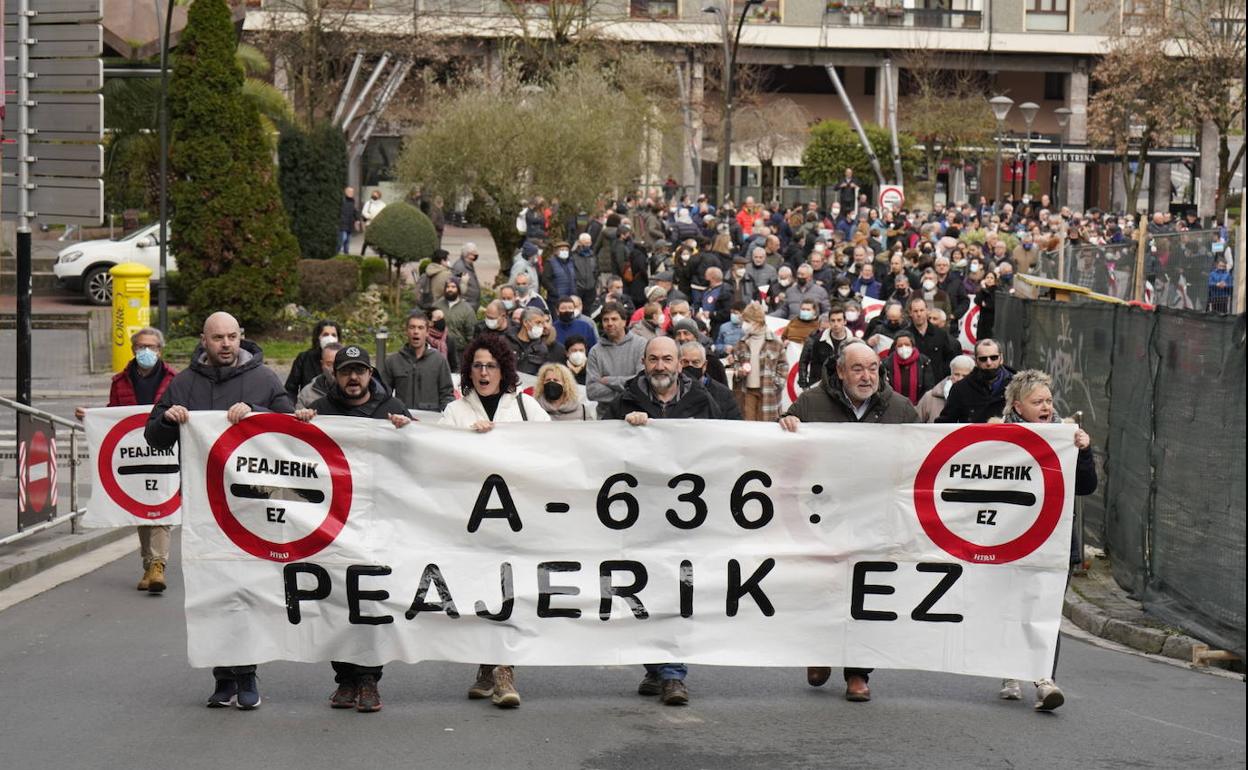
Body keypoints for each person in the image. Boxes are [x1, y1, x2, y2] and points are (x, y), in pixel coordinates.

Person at [144, 312, 293, 711]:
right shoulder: (185, 384)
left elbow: (290, 427)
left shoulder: (263, 379)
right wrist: (167, 419)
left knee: (246, 592)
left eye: (232, 337)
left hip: (253, 505)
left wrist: (257, 412)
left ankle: (246, 674)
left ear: (241, 337)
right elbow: (153, 436)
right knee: (212, 592)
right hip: (205, 510)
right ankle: (222, 677)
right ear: (203, 341)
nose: (226, 344)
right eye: (218, 338)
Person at [778, 340, 918, 702]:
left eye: (872, 368)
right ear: (840, 371)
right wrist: (787, 423)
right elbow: (782, 452)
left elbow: (920, 458)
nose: (866, 376)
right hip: (823, 517)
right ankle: (821, 652)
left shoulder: (900, 409)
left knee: (865, 594)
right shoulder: (810, 403)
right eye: (857, 368)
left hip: (876, 520)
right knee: (823, 588)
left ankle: (857, 671)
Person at [604, 336, 723, 706]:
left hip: (686, 519)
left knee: (677, 590)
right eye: (653, 359)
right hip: (636, 516)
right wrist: (624, 428)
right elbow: (597, 449)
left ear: (679, 364)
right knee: (642, 592)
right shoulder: (622, 402)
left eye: (667, 359)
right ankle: (655, 667)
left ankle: (673, 674)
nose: (660, 366)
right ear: (644, 361)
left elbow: (730, 445)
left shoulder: (704, 402)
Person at [294, 345, 411, 713]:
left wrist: (408, 433)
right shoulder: (323, 412)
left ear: (370, 374)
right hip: (334, 523)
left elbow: (420, 459)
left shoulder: (391, 410)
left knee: (371, 600)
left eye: (360, 371)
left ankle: (368, 679)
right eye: (346, 371)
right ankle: (344, 678)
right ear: (335, 375)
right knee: (336, 601)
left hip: (379, 521)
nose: (353, 378)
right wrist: (300, 426)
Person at [440, 335, 549, 709]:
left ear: (504, 370)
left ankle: (505, 669)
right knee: (479, 592)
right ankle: (486, 664)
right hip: (472, 520)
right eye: (477, 366)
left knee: (510, 590)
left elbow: (557, 449)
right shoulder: (455, 413)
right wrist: (465, 441)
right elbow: (436, 455)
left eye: (491, 366)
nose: (484, 372)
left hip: (515, 518)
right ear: (468, 371)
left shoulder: (526, 407)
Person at [996, 369, 1097, 712]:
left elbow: (1085, 487)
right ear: (1017, 405)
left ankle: (1043, 679)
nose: (1045, 406)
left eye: (1049, 400)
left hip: (1054, 540)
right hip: (1009, 538)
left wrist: (1083, 451)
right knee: (1011, 607)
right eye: (1036, 401)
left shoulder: (1065, 436)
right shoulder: (999, 435)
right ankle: (1010, 672)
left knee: (1046, 611)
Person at [75, 327, 177, 593]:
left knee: (160, 508)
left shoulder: (174, 379)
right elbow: (114, 416)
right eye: (142, 346)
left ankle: (158, 565)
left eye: (152, 347)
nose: (147, 352)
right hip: (135, 454)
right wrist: (91, 417)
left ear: (160, 350)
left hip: (164, 450)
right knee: (142, 509)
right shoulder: (120, 381)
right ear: (133, 349)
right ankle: (148, 564)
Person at [382, 310, 454, 413]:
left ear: (427, 332)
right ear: (406, 331)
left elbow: (447, 395)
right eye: (412, 327)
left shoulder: (439, 361)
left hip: (430, 422)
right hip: (402, 421)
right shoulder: (393, 361)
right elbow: (383, 395)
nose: (416, 331)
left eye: (420, 328)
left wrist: (448, 418)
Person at [586, 302, 648, 418]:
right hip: (606, 417)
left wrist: (610, 381)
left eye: (614, 319)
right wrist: (628, 390)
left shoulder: (641, 344)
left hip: (636, 413)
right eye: (606, 320)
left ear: (624, 321)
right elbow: (591, 391)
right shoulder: (595, 351)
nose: (610, 323)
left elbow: (642, 384)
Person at [731, 303, 788, 422]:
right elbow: (735, 362)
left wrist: (776, 384)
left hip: (768, 392)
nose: (744, 324)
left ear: (757, 322)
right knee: (749, 426)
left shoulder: (775, 342)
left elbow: (783, 365)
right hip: (747, 391)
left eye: (747, 321)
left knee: (767, 426)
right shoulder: (741, 343)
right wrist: (738, 372)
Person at [936, 338, 1013, 423]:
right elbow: (945, 424)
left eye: (993, 357)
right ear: (976, 361)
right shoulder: (960, 389)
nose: (989, 363)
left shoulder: (1017, 386)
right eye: (983, 359)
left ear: (1001, 358)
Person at [678, 341, 740, 419]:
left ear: (704, 366)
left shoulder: (722, 393)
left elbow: (734, 423)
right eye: (685, 362)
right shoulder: (671, 391)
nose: (690, 366)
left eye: (695, 362)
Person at [906, 296, 962, 382]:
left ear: (927, 311)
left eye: (921, 310)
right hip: (913, 382)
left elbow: (950, 358)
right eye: (915, 311)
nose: (919, 314)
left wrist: (942, 376)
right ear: (910, 313)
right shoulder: (905, 336)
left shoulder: (940, 334)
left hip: (936, 383)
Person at [798, 304, 852, 389]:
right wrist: (807, 385)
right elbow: (812, 365)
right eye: (833, 321)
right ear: (829, 322)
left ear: (845, 321)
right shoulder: (818, 340)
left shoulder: (853, 342)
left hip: (845, 386)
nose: (836, 324)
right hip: (821, 386)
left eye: (839, 320)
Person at [284, 320, 340, 398]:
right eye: (325, 334)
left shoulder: (343, 358)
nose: (330, 338)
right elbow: (290, 389)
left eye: (333, 335)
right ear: (318, 337)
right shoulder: (304, 358)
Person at [881, 329, 935, 404]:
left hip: (918, 406)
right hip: (893, 406)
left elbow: (928, 386)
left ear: (912, 346)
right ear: (895, 347)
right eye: (900, 345)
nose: (903, 348)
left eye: (907, 344)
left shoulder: (924, 362)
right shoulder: (887, 363)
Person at [507, 307, 567, 375]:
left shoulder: (542, 349)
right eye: (538, 323)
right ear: (525, 322)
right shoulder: (505, 341)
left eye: (542, 323)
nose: (542, 326)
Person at [916, 354, 973, 422]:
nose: (960, 379)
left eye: (964, 376)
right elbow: (914, 424)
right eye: (956, 374)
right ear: (951, 374)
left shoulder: (977, 397)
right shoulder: (929, 397)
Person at [434, 276, 478, 352]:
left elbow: (472, 334)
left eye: (453, 287)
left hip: (459, 350)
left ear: (458, 289)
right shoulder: (437, 306)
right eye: (447, 287)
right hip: (438, 349)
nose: (450, 289)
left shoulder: (467, 309)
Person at [296, 342, 343, 408]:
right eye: (329, 364)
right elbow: (297, 416)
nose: (333, 369)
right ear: (322, 364)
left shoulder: (354, 391)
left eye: (338, 363)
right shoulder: (307, 393)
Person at [451, 243, 482, 308]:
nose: (474, 257)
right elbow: (456, 285)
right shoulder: (459, 267)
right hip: (467, 304)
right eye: (472, 254)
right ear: (466, 254)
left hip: (472, 303)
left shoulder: (468, 264)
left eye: (475, 254)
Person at [359, 189, 386, 256]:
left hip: (378, 224)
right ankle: (362, 253)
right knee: (367, 239)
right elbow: (364, 212)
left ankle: (381, 254)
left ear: (379, 196)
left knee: (379, 240)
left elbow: (384, 213)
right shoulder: (368, 203)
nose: (374, 196)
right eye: (373, 194)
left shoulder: (382, 204)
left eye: (376, 194)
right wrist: (369, 216)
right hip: (369, 223)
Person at [974, 269, 999, 340]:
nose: (989, 279)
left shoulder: (997, 290)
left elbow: (991, 304)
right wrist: (983, 289)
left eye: (991, 278)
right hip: (982, 321)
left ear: (995, 280)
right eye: (987, 277)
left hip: (992, 321)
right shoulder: (982, 289)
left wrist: (985, 303)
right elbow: (977, 300)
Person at [339, 186, 359, 254]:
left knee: (347, 240)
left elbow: (354, 211)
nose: (351, 193)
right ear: (345, 192)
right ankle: (336, 252)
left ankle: (346, 253)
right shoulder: (342, 200)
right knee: (343, 239)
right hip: (343, 223)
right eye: (349, 191)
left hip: (350, 223)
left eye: (352, 192)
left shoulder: (352, 201)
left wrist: (357, 219)